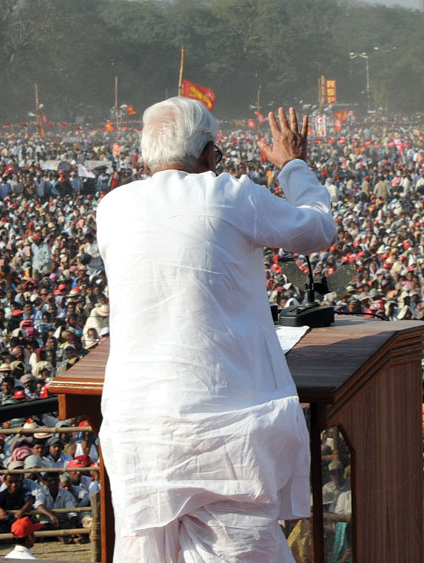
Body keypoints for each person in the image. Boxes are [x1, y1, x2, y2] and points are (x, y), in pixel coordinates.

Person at [95, 99, 337, 562]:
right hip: (226, 430)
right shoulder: (227, 193)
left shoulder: (113, 206)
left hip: (138, 429)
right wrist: (294, 166)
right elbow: (318, 228)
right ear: (209, 154)